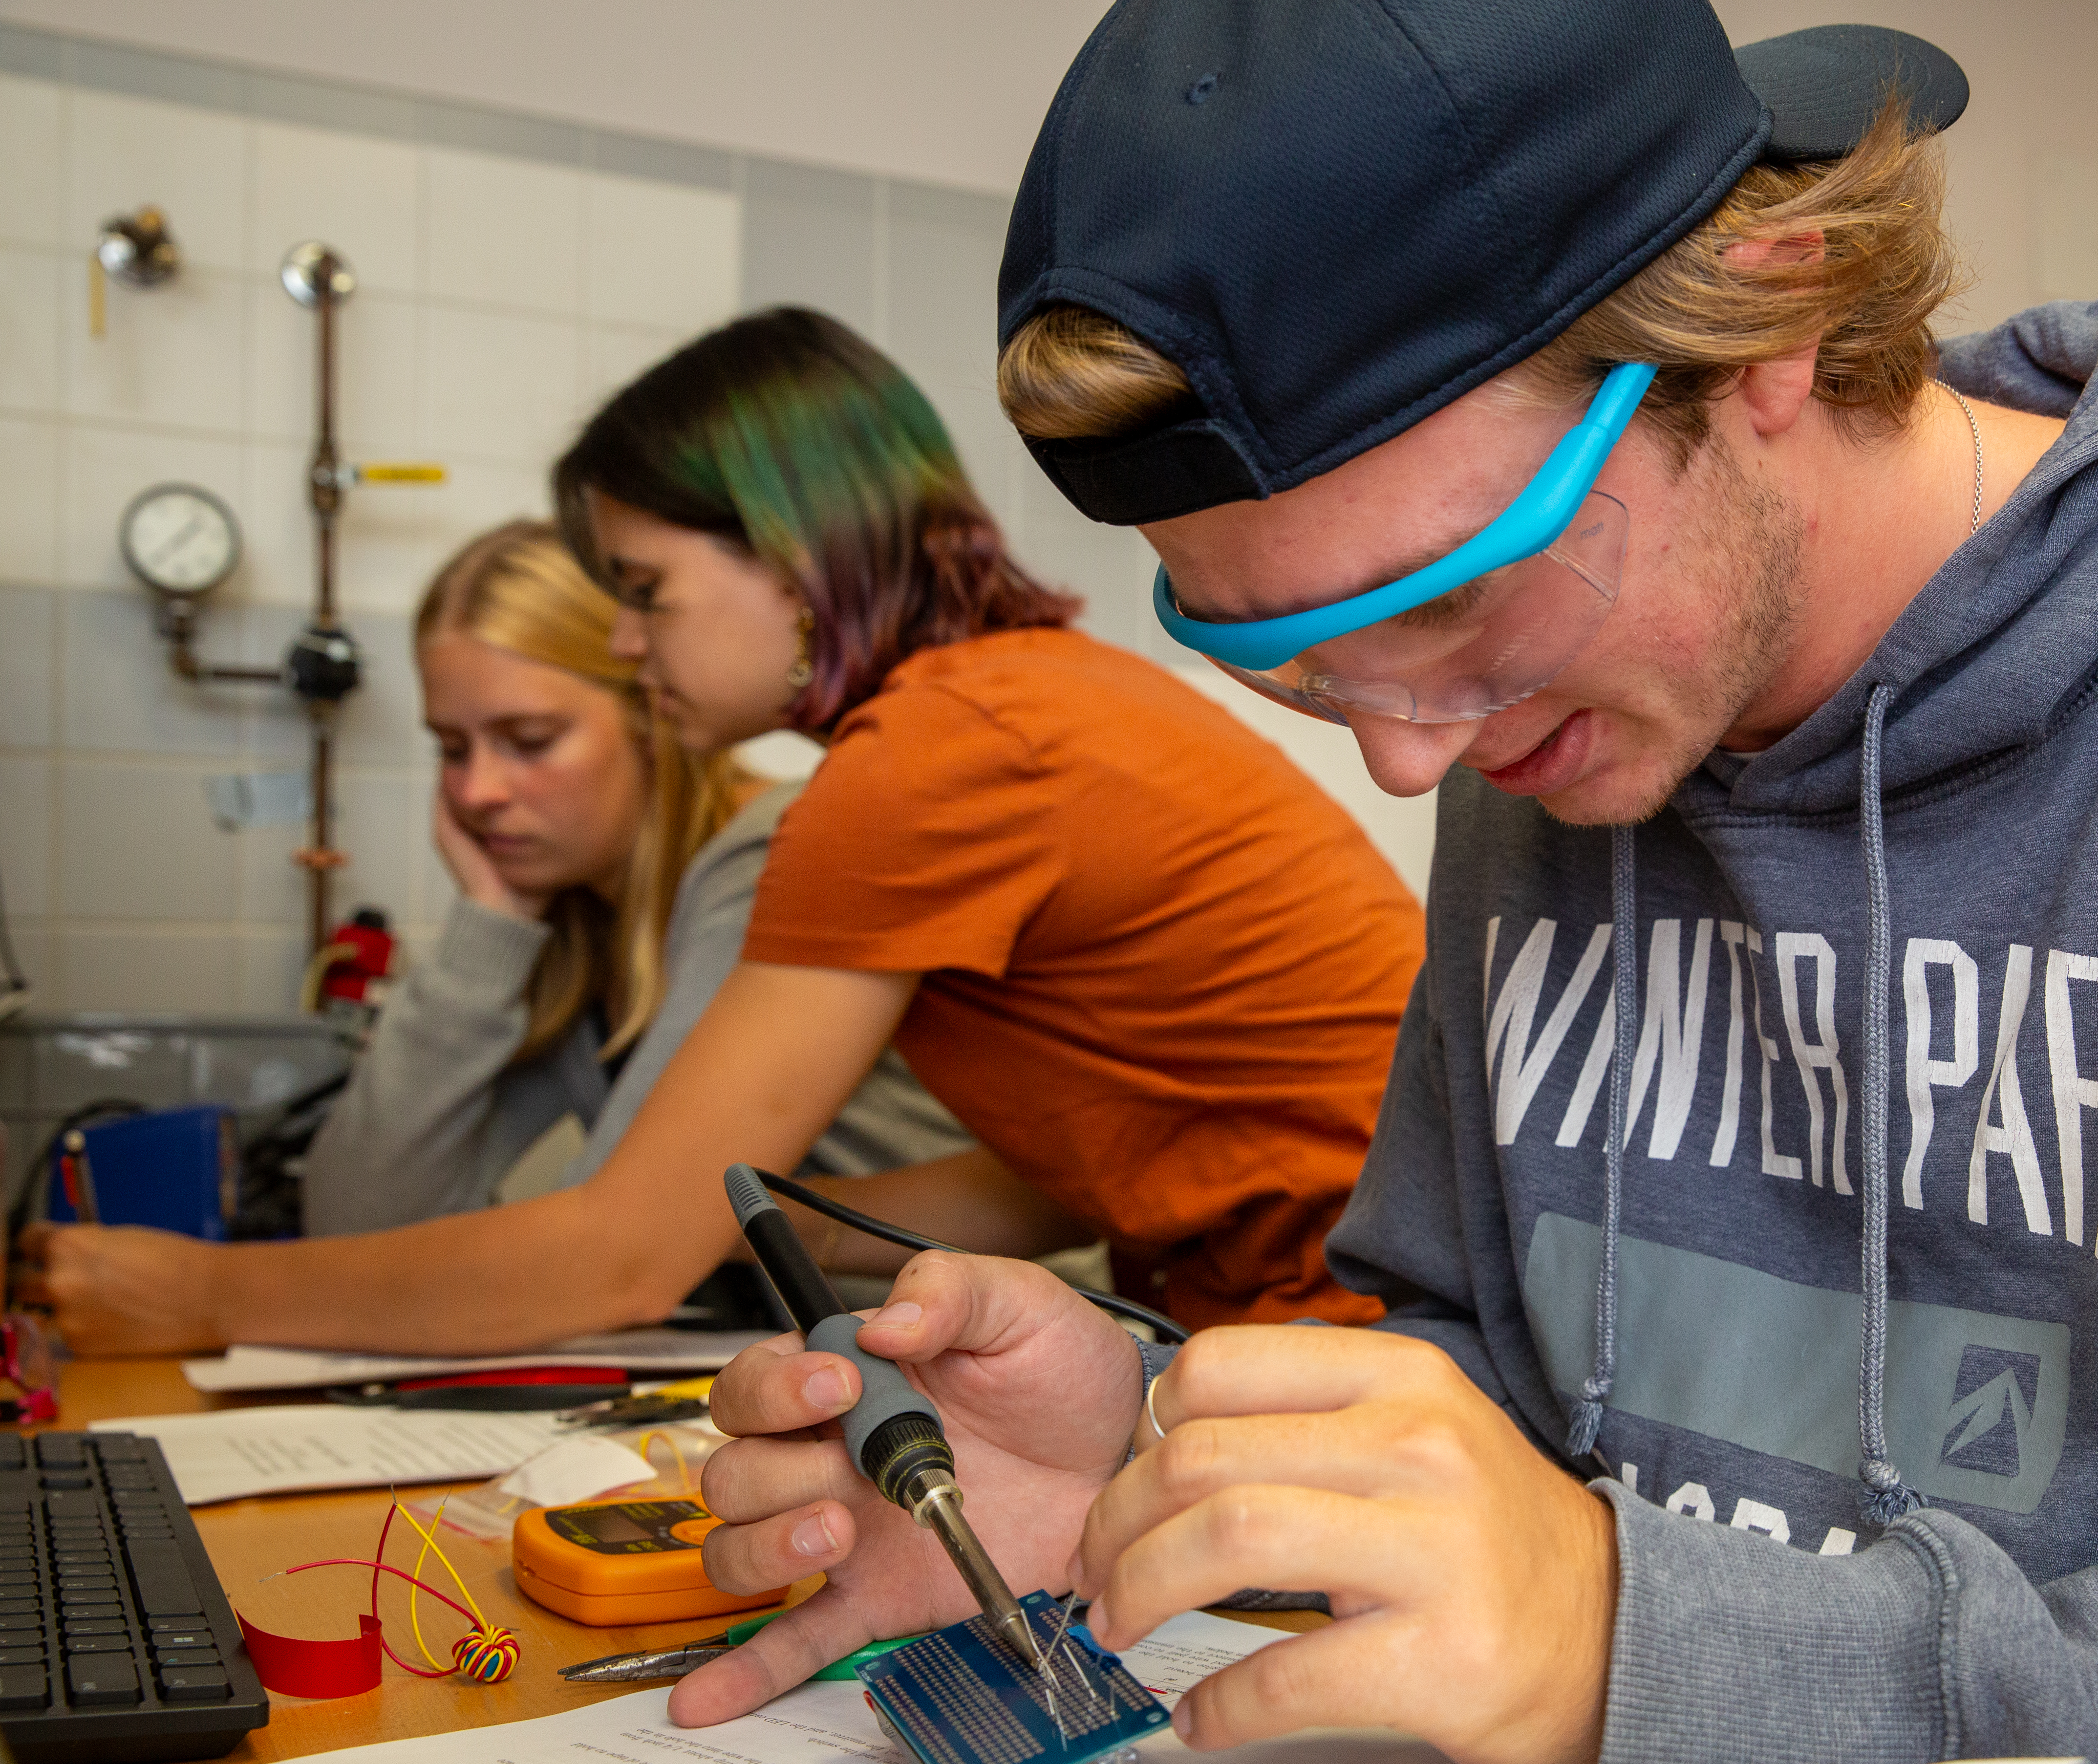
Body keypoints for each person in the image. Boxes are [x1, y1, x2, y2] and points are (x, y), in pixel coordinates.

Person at [681, 5, 2098, 1764]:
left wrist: (1655, 1654)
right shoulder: (1570, 729)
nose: (1413, 757)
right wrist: (1150, 1474)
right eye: (1300, 661)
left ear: (1769, 321)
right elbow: (1516, 1419)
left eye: (1452, 598)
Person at [23, 308, 1423, 1352]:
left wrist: (204, 1294)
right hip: (1335, 1334)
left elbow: (617, 1261)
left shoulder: (927, 761)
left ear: (795, 555)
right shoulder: (1025, 702)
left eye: (646, 590)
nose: (626, 642)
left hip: (1346, 1348)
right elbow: (1106, 1162)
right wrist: (779, 1216)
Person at [300, 519, 964, 1239]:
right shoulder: (584, 931)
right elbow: (357, 1219)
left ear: (651, 717)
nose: (478, 791)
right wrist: (490, 923)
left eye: (530, 741)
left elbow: (610, 1240)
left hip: (1001, 1336)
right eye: (453, 750)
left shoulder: (776, 857)